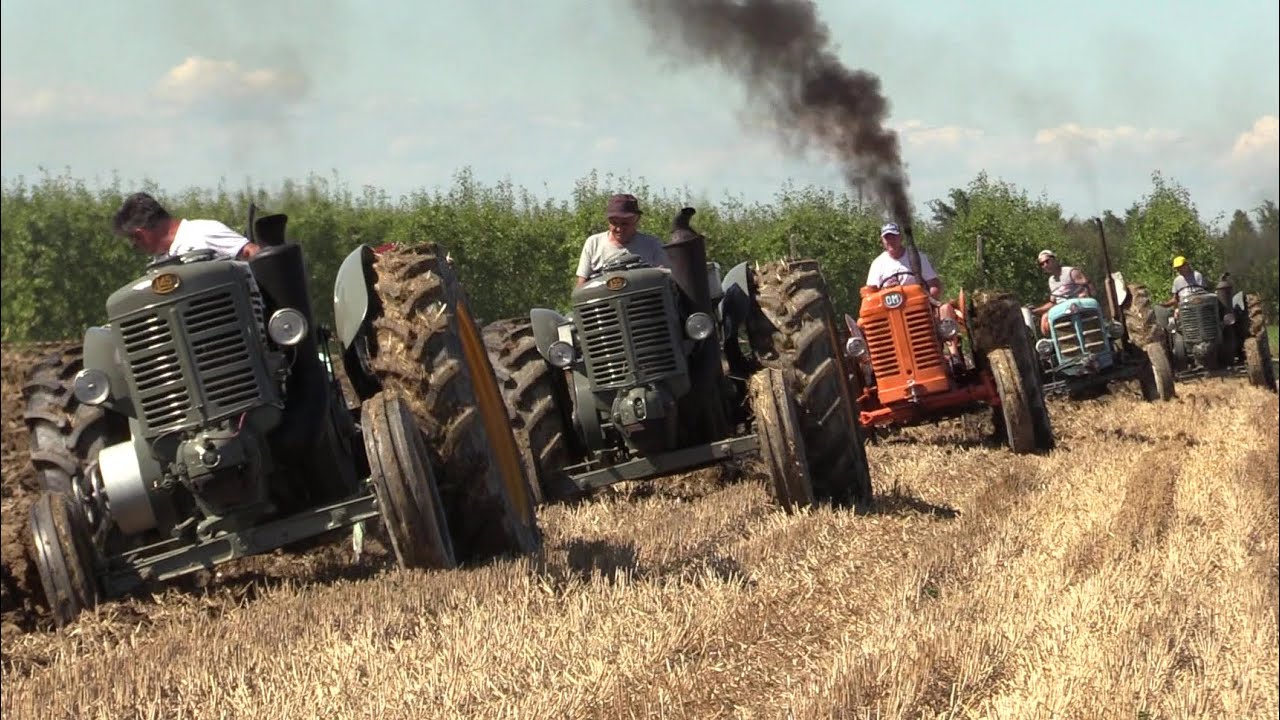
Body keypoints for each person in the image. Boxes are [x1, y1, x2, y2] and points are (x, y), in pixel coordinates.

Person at [865, 222, 961, 362]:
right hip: (890, 314)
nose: (891, 241)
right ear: (882, 241)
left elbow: (934, 284)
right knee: (863, 324)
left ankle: (954, 356)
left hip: (920, 309)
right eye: (887, 238)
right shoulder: (877, 264)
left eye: (894, 237)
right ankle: (875, 365)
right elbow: (870, 295)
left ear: (900, 238)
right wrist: (885, 290)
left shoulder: (918, 257)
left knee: (945, 309)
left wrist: (927, 298)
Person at [112, 191, 261, 260]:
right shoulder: (159, 265)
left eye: (133, 238)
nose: (134, 245)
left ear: (141, 232)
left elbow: (253, 254)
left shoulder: (203, 231)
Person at [575, 193, 670, 286]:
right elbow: (581, 284)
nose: (619, 229)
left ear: (636, 219)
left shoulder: (652, 244)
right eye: (614, 223)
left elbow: (666, 278)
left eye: (625, 224)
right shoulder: (593, 243)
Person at [1030, 249, 1094, 334]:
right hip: (1061, 312)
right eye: (1042, 264)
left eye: (1047, 261)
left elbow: (1089, 287)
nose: (1045, 265)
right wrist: (1036, 311)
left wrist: (1084, 294)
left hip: (1078, 308)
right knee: (1045, 320)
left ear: (1054, 260)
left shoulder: (1071, 272)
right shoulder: (1051, 281)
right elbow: (1053, 302)